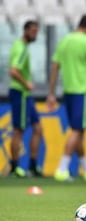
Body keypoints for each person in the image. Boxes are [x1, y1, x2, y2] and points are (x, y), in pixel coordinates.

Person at [47, 14, 86, 182]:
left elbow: (55, 67)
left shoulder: (65, 40)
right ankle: (61, 168)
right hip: (82, 90)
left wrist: (51, 93)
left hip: (68, 90)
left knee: (77, 129)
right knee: (78, 130)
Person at [8, 20, 42, 177]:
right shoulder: (21, 47)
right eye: (33, 31)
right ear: (26, 30)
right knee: (19, 130)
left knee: (38, 128)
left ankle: (33, 165)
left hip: (25, 95)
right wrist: (26, 83)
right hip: (20, 92)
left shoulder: (20, 45)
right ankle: (15, 167)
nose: (35, 34)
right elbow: (13, 71)